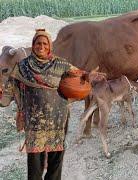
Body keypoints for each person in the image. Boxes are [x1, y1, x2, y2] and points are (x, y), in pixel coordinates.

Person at [3, 29, 89, 180]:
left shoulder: (60, 64)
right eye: (38, 43)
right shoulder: (22, 66)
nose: (41, 46)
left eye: (44, 43)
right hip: (34, 124)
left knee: (56, 164)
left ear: (49, 46)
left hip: (57, 121)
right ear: (33, 45)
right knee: (35, 166)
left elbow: (79, 73)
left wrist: (88, 77)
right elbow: (10, 88)